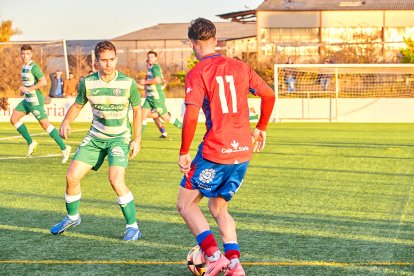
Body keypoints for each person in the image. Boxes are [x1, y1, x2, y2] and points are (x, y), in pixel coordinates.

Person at [176, 18, 275, 276]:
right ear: (216, 40)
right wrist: (261, 127)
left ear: (192, 43)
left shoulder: (198, 73)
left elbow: (191, 113)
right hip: (242, 151)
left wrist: (184, 151)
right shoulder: (240, 67)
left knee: (186, 204)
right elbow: (269, 94)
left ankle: (213, 255)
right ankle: (234, 264)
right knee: (218, 207)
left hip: (216, 151)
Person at [50, 41, 143, 241]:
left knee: (115, 179)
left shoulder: (128, 83)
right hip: (95, 137)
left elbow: (137, 110)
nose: (108, 64)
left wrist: (137, 139)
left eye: (111, 60)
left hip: (119, 138)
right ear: (96, 62)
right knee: (71, 177)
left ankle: (133, 227)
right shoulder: (88, 83)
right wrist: (66, 121)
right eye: (104, 60)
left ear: (116, 59)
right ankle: (73, 217)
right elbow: (78, 104)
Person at [10, 44, 71, 163]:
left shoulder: (34, 67)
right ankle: (31, 142)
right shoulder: (24, 67)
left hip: (36, 101)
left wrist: (29, 89)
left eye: (27, 54)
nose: (25, 56)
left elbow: (43, 82)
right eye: (23, 53)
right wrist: (24, 90)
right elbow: (28, 84)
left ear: (31, 54)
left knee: (45, 125)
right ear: (20, 54)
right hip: (27, 100)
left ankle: (64, 148)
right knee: (14, 119)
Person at [140, 50, 182, 134]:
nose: (150, 59)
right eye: (148, 57)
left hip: (156, 98)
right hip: (149, 98)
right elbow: (159, 81)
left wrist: (145, 82)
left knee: (166, 118)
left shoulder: (155, 68)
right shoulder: (150, 69)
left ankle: (184, 127)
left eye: (152, 57)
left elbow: (158, 80)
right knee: (141, 115)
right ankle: (138, 139)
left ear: (156, 58)